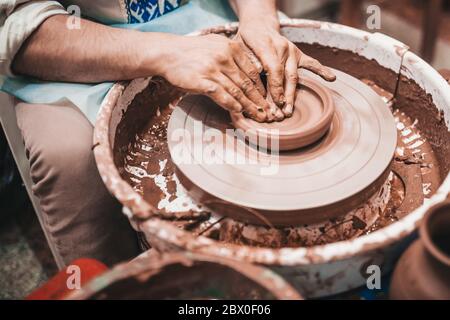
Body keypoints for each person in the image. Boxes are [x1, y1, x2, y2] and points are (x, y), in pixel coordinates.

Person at [0, 0, 334, 267]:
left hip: (205, 12)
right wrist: (168, 53)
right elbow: (17, 22)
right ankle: (118, 283)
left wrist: (259, 19)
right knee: (71, 157)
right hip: (76, 40)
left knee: (300, 65)